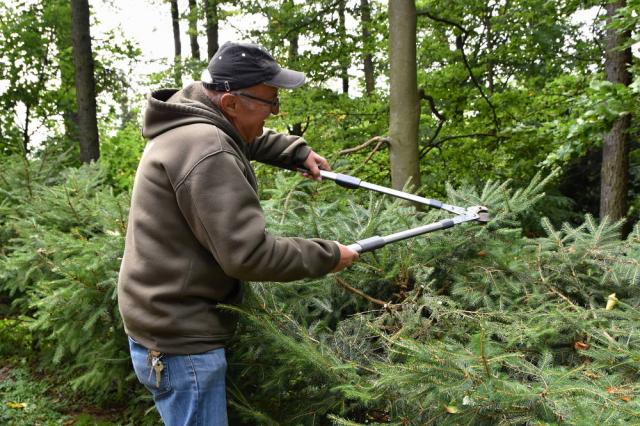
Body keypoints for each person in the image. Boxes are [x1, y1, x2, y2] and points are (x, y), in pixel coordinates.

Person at [117, 41, 359, 426]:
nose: (275, 111)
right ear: (230, 102)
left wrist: (292, 151)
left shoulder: (191, 118)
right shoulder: (208, 151)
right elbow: (248, 255)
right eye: (269, 102)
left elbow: (243, 133)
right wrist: (330, 255)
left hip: (161, 323)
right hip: (182, 343)